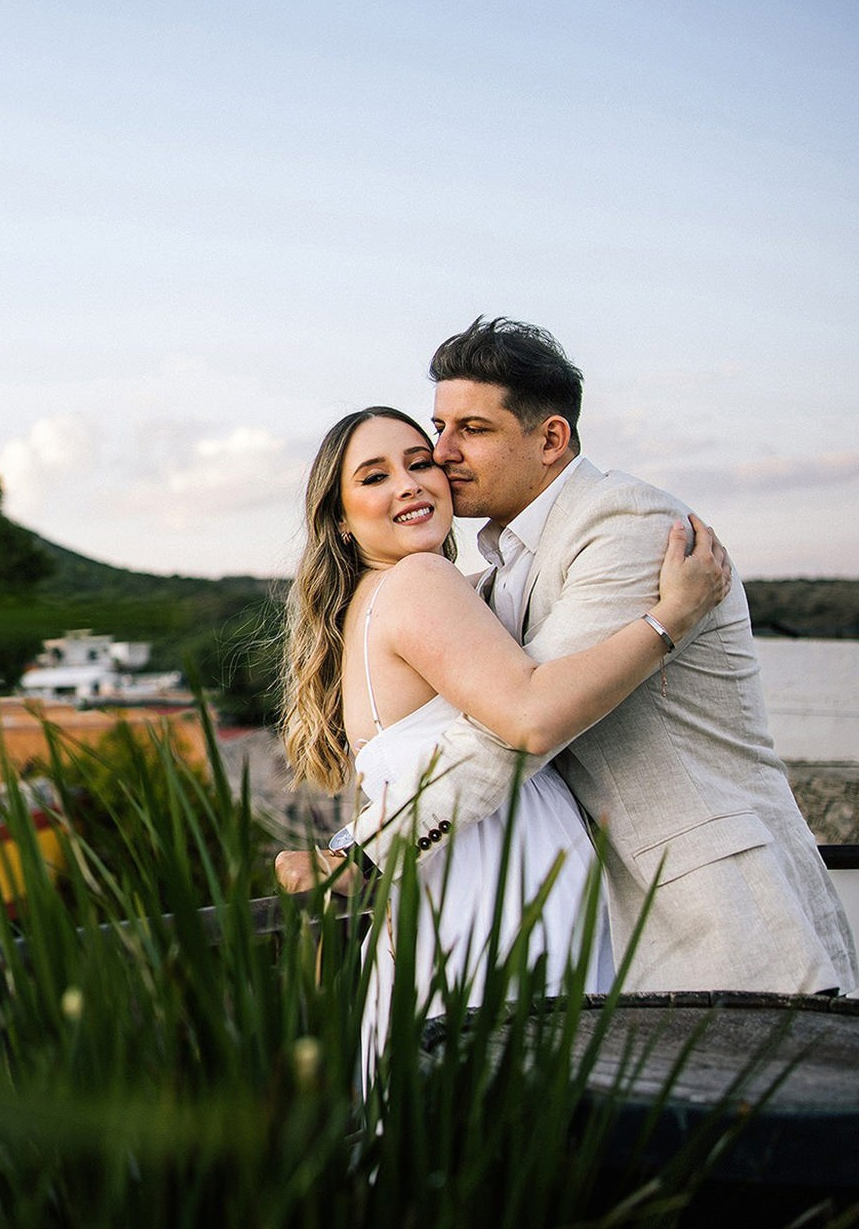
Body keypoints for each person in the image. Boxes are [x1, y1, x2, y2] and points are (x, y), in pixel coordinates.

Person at [301, 318, 858, 997]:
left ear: (551, 438)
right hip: (587, 924)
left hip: (718, 913)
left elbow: (515, 728)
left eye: (469, 430)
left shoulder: (626, 525)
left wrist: (365, 852)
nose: (442, 453)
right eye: (438, 428)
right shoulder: (485, 575)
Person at [273, 405, 731, 1056]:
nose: (406, 483)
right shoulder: (421, 580)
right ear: (342, 523)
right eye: (374, 476)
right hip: (500, 875)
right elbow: (527, 714)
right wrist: (670, 621)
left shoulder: (367, 604)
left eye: (418, 461)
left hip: (444, 882)